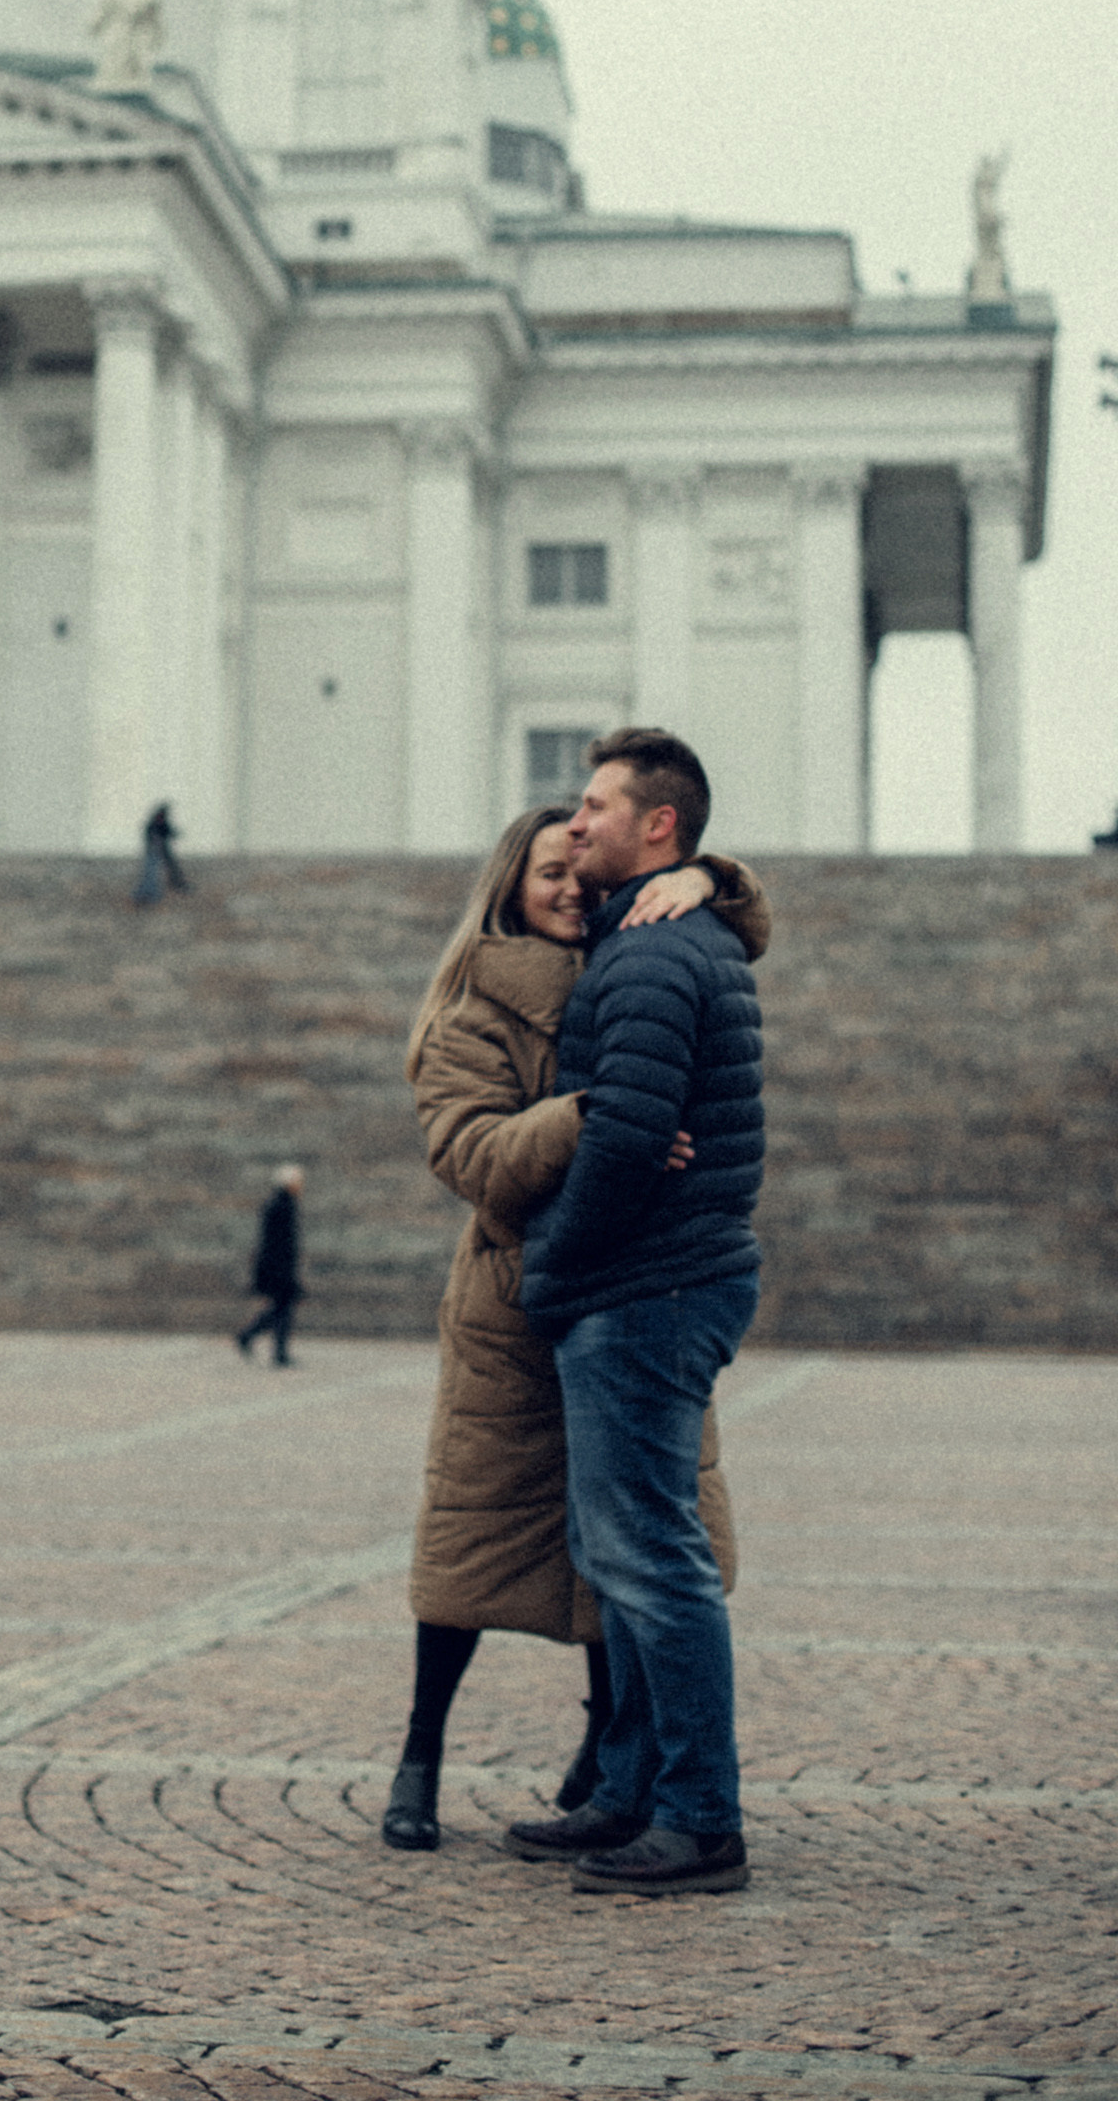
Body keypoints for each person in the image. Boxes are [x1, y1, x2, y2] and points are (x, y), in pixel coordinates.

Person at [383, 810, 765, 1855]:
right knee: (473, 1538)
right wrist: (596, 1116)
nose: (566, 887)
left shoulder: (635, 945)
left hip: (625, 1281)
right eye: (546, 871)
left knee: (624, 1550)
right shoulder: (467, 1008)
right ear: (508, 884)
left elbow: (738, 924)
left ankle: (615, 1765)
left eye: (576, 868)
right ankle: (417, 1760)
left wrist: (708, 878)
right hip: (513, 1305)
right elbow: (470, 1155)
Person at [505, 727, 765, 1897]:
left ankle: (699, 1817)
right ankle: (627, 1795)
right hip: (655, 1276)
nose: (575, 822)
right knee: (618, 1557)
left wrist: (553, 1266)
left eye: (597, 805)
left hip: (644, 1283)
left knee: (652, 1562)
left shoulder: (656, 956)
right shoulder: (650, 933)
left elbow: (623, 1137)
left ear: (658, 826)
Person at [237, 1165, 303, 1364]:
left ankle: (251, 1337)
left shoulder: (278, 1203)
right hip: (278, 1267)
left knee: (280, 1308)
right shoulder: (282, 1206)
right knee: (282, 1308)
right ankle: (275, 1351)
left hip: (275, 1266)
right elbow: (278, 1243)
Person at [133, 802, 190, 906]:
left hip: (162, 849)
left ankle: (178, 885)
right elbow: (152, 837)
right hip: (153, 851)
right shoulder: (153, 824)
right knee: (151, 873)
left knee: (172, 869)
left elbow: (169, 832)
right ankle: (146, 895)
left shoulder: (162, 823)